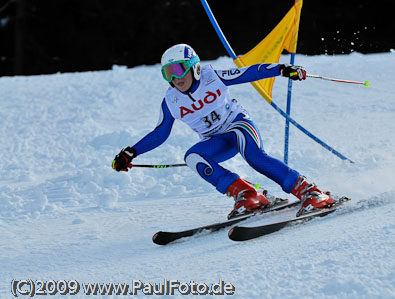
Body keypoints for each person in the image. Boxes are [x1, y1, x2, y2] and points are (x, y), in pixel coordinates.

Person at [112, 43, 335, 218]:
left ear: (194, 66)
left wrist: (282, 69)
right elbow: (160, 133)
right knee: (193, 157)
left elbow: (248, 73)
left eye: (179, 69)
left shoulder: (212, 77)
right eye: (168, 73)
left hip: (238, 125)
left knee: (254, 156)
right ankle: (248, 194)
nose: (175, 78)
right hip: (217, 141)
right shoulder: (171, 100)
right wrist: (131, 152)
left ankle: (311, 192)